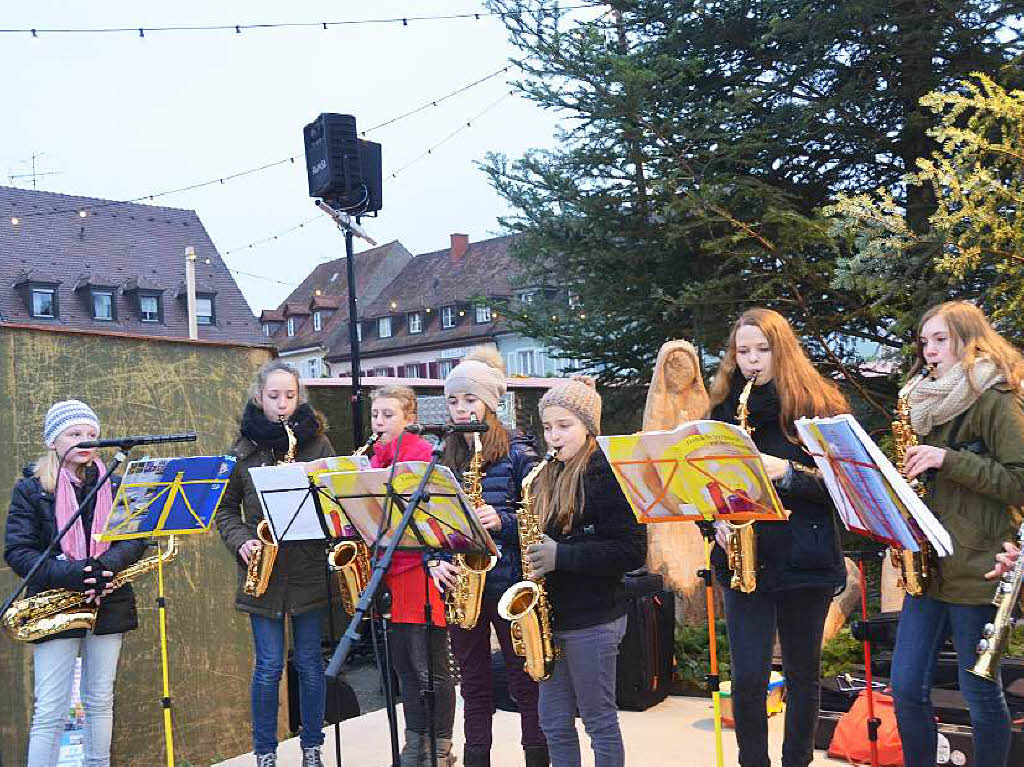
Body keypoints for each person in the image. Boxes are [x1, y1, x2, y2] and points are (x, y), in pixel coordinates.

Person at [707, 307, 849, 767]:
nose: (751, 361)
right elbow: (700, 484)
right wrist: (714, 522)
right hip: (743, 558)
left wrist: (787, 473)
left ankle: (797, 761)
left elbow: (844, 488)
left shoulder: (820, 406)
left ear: (782, 351)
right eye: (742, 351)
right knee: (747, 677)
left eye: (762, 350)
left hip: (803, 558)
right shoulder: (723, 410)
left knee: (802, 672)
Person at [889, 300, 1024, 767]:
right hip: (928, 567)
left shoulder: (997, 397)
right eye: (924, 341)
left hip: (980, 565)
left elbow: (1019, 481)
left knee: (979, 694)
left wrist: (949, 459)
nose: (929, 351)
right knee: (904, 687)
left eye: (940, 340)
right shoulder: (925, 403)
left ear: (969, 341)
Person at [5, 400, 147, 767]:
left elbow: (134, 538)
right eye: (75, 434)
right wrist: (71, 573)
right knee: (51, 708)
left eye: (93, 434)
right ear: (53, 441)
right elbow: (19, 552)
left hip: (108, 600)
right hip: (55, 601)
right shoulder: (31, 489)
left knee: (100, 700)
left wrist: (105, 566)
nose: (86, 441)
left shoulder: (114, 483)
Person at [429, 348, 549, 767]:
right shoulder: (442, 455)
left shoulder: (519, 452)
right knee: (473, 686)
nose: (461, 409)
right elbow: (430, 523)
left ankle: (537, 756)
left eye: (469, 400)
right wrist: (434, 559)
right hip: (462, 586)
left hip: (508, 583)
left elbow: (543, 517)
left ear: (490, 403)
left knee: (525, 682)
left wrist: (500, 520)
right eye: (453, 401)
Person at [216, 361, 336, 767]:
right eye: (274, 397)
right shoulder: (241, 449)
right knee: (267, 667)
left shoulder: (318, 445)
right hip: (261, 571)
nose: (283, 404)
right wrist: (243, 541)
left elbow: (337, 502)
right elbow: (226, 510)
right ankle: (265, 751)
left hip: (306, 569)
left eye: (290, 396)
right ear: (258, 398)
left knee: (309, 663)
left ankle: (312, 747)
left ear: (299, 398)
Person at [525, 377, 647, 767]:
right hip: (553, 617)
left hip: (595, 617)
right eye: (547, 427)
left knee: (598, 721)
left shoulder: (606, 473)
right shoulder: (544, 474)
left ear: (589, 426)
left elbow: (631, 550)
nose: (554, 436)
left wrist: (563, 557)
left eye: (565, 426)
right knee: (554, 722)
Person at [367, 385, 456, 766]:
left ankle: (440, 745)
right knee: (404, 666)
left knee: (430, 669)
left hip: (419, 572)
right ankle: (414, 741)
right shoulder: (374, 460)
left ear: (410, 419)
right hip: (389, 571)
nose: (379, 422)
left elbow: (442, 519)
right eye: (375, 415)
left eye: (388, 415)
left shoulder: (422, 457)